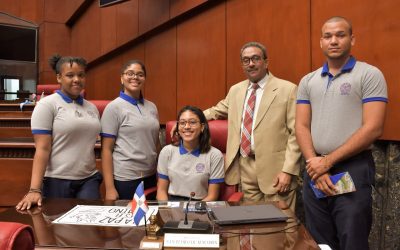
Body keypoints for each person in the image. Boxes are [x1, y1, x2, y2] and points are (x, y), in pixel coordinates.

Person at [296, 16, 387, 250]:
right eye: (328, 36)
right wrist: (315, 164)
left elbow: (373, 127)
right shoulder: (308, 80)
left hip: (352, 168)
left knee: (352, 239)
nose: (333, 40)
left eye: (340, 35)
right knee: (319, 241)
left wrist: (327, 162)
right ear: (321, 42)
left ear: (352, 39)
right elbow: (301, 126)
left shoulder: (369, 74)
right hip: (314, 169)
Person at [201, 42, 301, 210]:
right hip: (245, 167)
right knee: (253, 224)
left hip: (276, 170)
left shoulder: (288, 89)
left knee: (282, 226)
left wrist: (288, 171)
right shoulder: (236, 90)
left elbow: (296, 133)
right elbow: (217, 111)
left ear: (266, 62)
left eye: (255, 58)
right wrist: (188, 120)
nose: (251, 64)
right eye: (246, 60)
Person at [16, 55, 102, 211]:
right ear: (59, 77)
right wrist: (34, 189)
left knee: (90, 229)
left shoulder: (92, 108)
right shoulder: (47, 105)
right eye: (70, 75)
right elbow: (42, 148)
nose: (77, 79)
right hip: (57, 180)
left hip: (89, 179)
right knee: (59, 230)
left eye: (81, 75)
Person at [101, 60, 160, 200]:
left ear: (144, 79)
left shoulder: (152, 107)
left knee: (149, 219)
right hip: (126, 179)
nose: (135, 77)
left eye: (140, 74)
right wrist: (109, 188)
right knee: (128, 219)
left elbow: (156, 142)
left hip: (151, 176)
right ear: (122, 78)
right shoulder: (113, 108)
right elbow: (106, 150)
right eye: (130, 74)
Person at [157, 106, 224, 201]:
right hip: (172, 206)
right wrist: (166, 211)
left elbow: (212, 196)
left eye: (192, 122)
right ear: (178, 127)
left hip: (201, 206)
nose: (187, 127)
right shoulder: (167, 152)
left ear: (202, 127)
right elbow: (161, 191)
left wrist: (193, 212)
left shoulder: (215, 155)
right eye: (182, 123)